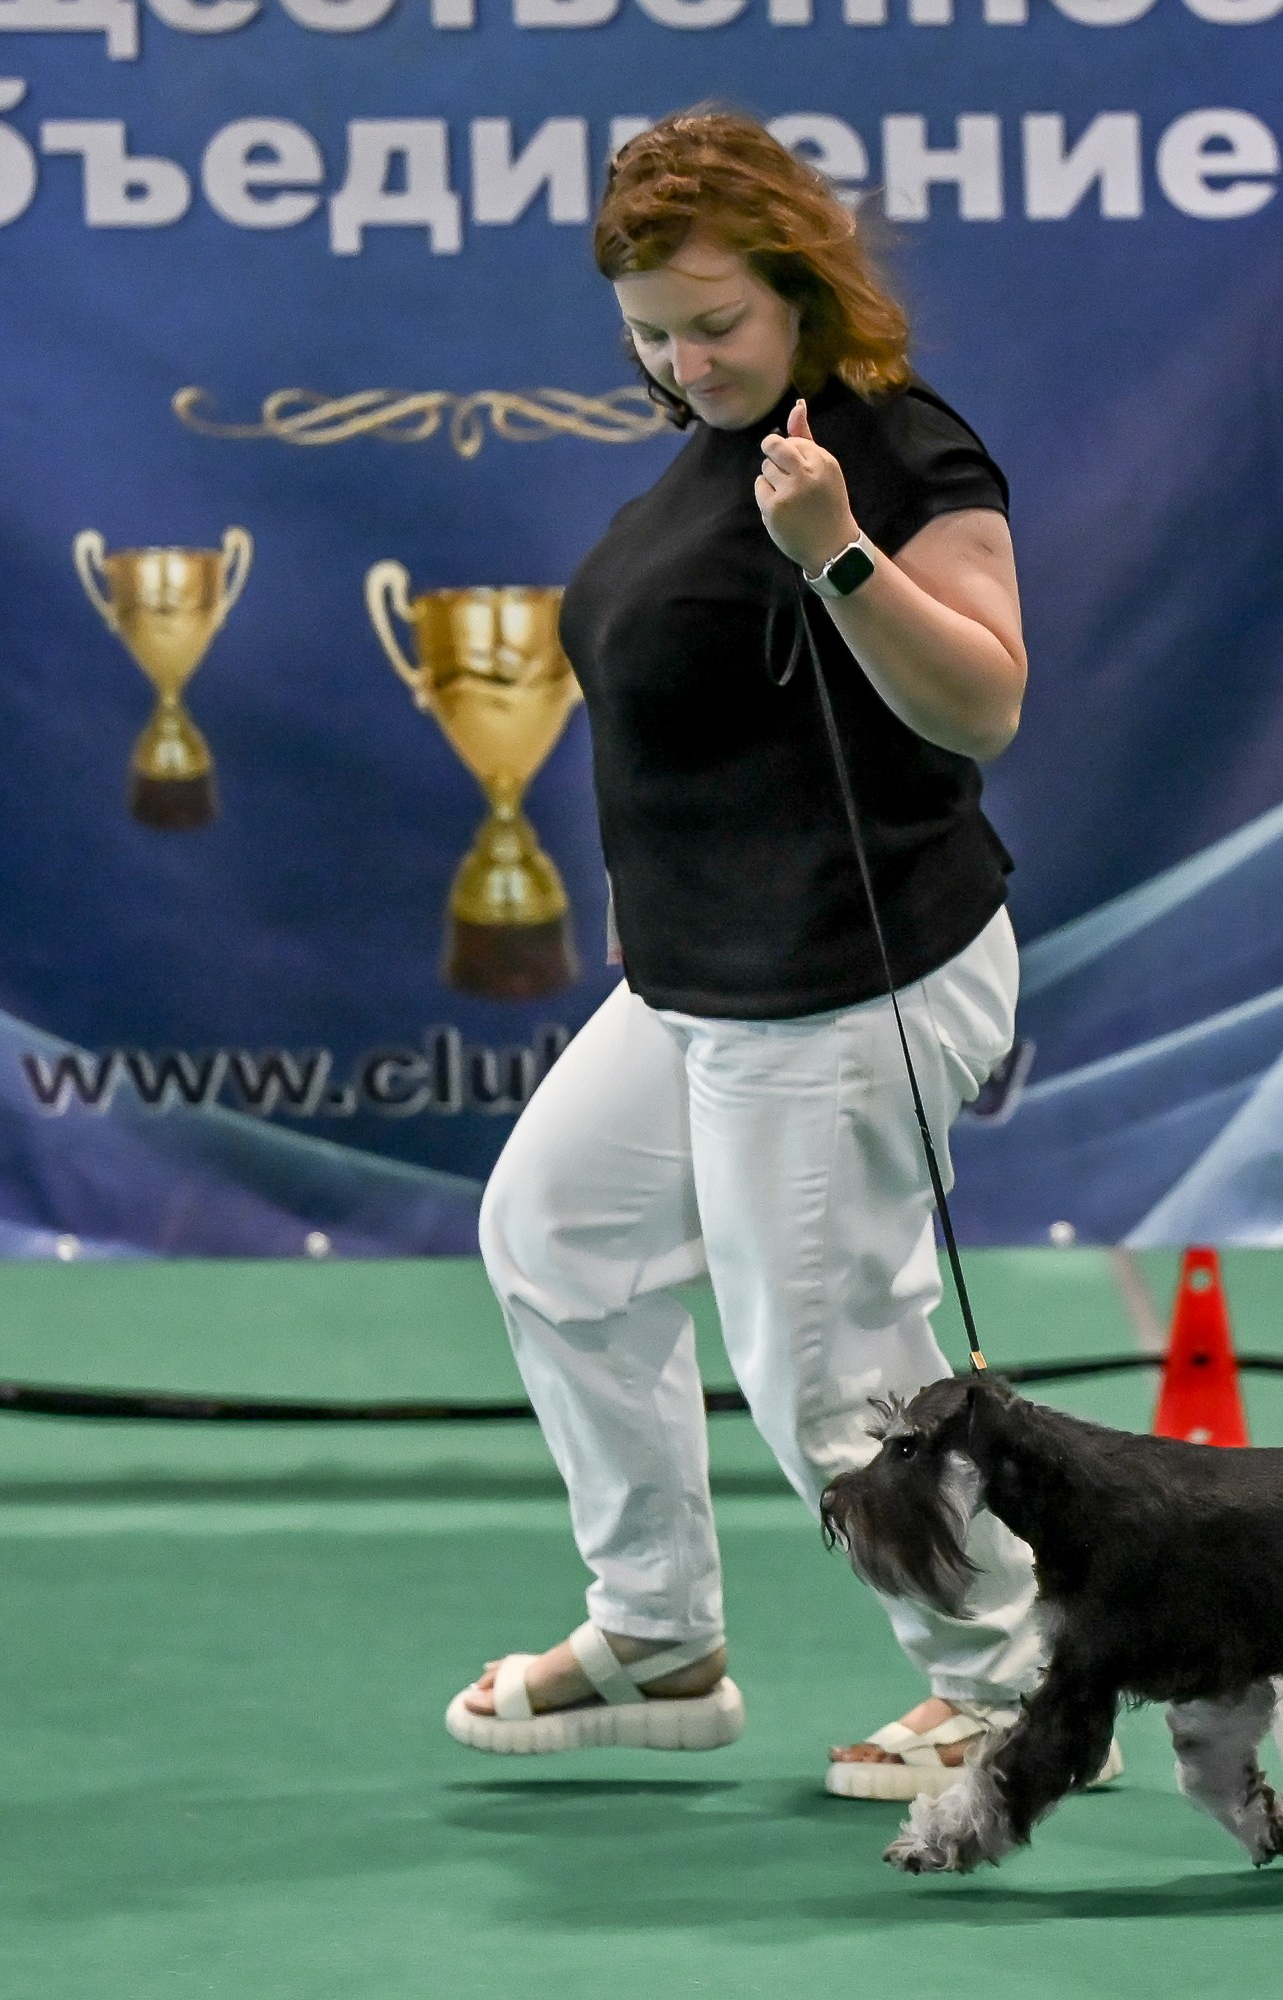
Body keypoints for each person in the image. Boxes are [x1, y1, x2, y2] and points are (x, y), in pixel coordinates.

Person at [445, 107, 1105, 1802]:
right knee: (556, 1239)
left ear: (803, 283)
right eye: (650, 334)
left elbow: (984, 704)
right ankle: (658, 1633)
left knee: (828, 1374)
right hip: (699, 979)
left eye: (715, 323)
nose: (685, 361)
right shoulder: (705, 454)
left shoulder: (897, 451)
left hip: (854, 974)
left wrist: (840, 557)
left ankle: (1019, 1684)